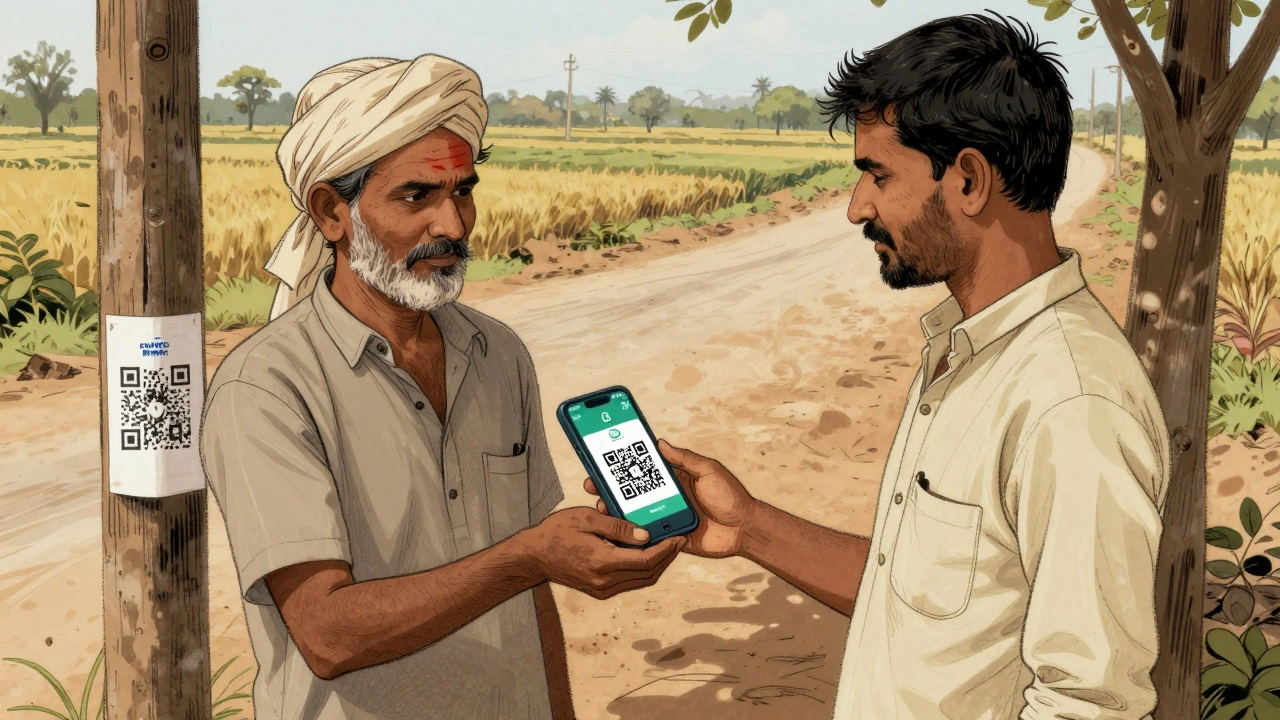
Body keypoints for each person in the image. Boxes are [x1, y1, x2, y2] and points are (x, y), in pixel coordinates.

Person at [587, 13, 1169, 720]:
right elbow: (925, 600)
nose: (856, 207)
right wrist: (748, 527)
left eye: (877, 174)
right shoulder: (970, 353)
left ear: (969, 180)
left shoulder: (1071, 402)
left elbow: (1093, 703)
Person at [201, 54, 684, 720]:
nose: (454, 226)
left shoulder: (498, 354)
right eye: (417, 196)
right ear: (331, 212)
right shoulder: (267, 387)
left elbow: (532, 590)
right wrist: (527, 557)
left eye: (463, 190)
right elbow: (327, 634)